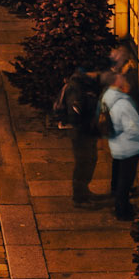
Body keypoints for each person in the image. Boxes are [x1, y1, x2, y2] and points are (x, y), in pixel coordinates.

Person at [100, 69, 139, 220]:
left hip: (116, 144)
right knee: (125, 181)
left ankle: (118, 201)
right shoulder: (123, 104)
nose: (124, 79)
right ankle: (123, 210)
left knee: (119, 177)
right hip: (128, 147)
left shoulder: (107, 97)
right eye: (121, 78)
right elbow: (133, 128)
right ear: (116, 83)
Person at [53, 64, 103, 205]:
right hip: (81, 132)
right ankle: (80, 197)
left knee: (89, 160)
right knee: (84, 162)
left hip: (84, 130)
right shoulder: (77, 87)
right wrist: (86, 126)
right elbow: (75, 112)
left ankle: (84, 192)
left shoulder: (84, 84)